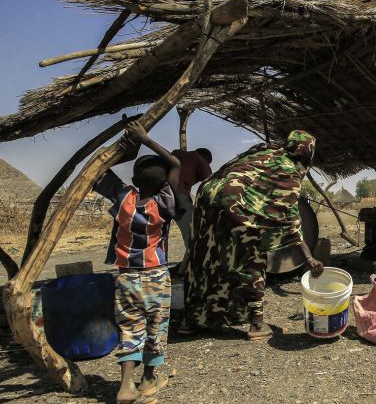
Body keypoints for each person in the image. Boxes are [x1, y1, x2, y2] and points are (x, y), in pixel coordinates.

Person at [181, 130, 324, 340]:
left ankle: (192, 320)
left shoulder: (265, 151)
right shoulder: (287, 170)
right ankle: (257, 324)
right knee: (251, 256)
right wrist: (309, 258)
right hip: (234, 202)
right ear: (306, 152)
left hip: (207, 195)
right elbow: (291, 218)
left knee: (207, 256)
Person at [93, 121, 181, 404]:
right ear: (164, 182)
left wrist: (128, 150)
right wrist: (146, 139)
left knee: (130, 328)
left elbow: (97, 171)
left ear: (134, 179)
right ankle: (149, 380)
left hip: (126, 276)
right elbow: (175, 163)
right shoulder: (164, 204)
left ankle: (126, 386)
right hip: (155, 275)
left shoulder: (123, 197)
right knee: (157, 327)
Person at [170, 147, 212, 251]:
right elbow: (210, 184)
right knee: (192, 233)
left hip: (157, 193)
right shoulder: (201, 160)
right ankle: (193, 262)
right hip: (178, 196)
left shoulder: (177, 153)